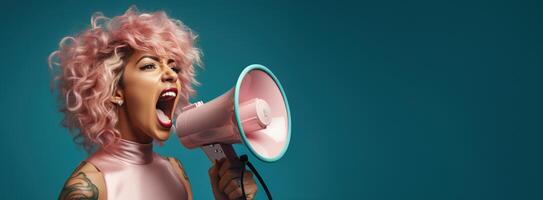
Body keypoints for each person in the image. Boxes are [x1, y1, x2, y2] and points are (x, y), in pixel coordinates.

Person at [49, 7, 258, 200]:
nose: (170, 75)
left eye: (174, 68)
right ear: (114, 89)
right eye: (149, 66)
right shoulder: (89, 186)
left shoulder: (175, 170)